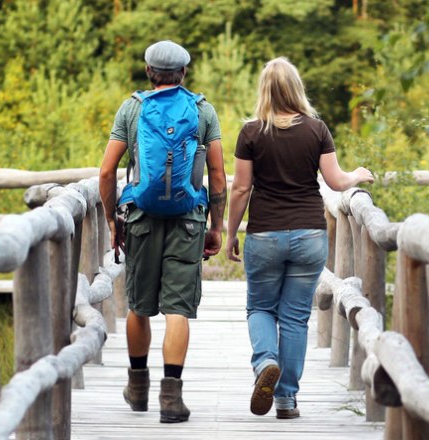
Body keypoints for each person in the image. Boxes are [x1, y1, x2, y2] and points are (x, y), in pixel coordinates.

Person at [225, 57, 374, 419]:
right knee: (293, 318)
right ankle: (287, 400)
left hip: (265, 235)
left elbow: (241, 188)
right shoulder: (317, 129)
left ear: (264, 90)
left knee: (260, 307)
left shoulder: (250, 133)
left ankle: (265, 362)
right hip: (309, 235)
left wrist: (230, 233)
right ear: (296, 88)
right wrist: (358, 174)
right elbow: (336, 182)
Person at [99, 40, 227, 424]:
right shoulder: (203, 110)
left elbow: (106, 172)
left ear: (148, 71)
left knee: (139, 304)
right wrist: (216, 226)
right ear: (184, 73)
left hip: (141, 217)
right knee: (177, 309)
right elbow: (218, 174)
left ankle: (137, 389)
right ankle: (170, 398)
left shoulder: (132, 108)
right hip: (189, 218)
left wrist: (111, 219)